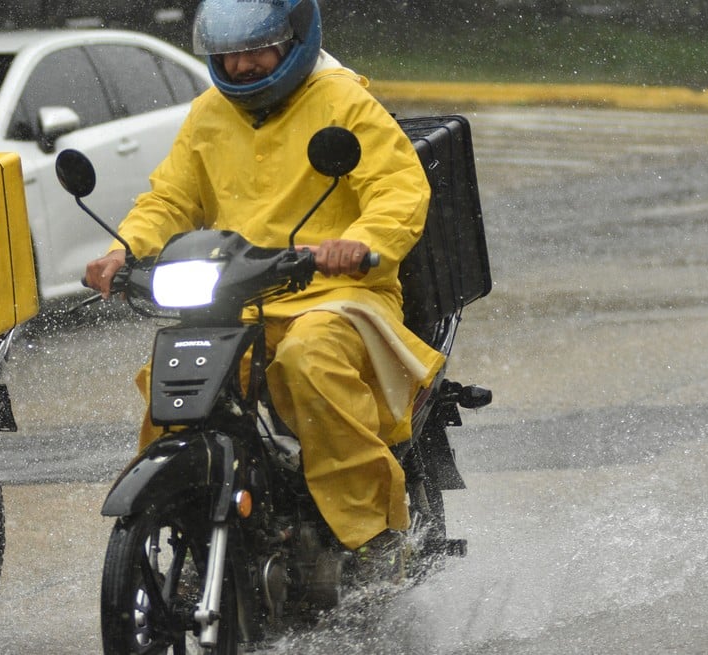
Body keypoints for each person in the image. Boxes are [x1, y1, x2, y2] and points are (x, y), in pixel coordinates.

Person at [84, 0, 442, 576]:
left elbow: (398, 190)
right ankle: (184, 521)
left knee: (309, 360)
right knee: (176, 380)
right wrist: (124, 250)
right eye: (228, 54)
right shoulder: (209, 112)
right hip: (239, 296)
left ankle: (372, 532)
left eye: (256, 50)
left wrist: (358, 242)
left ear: (296, 39)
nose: (241, 65)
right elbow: (171, 199)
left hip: (337, 292)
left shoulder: (342, 101)